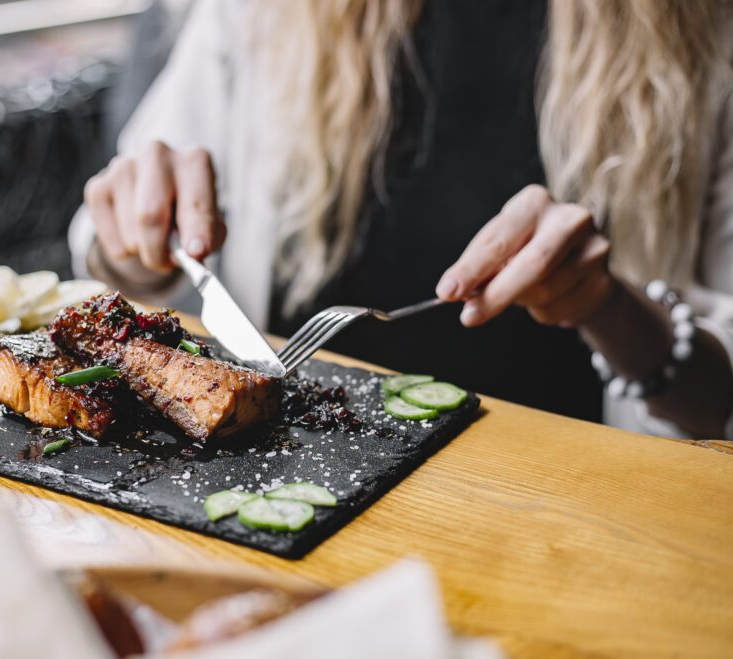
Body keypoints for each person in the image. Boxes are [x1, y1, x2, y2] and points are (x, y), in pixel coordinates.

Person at [69, 0, 733, 439]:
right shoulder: (266, 13)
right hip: (275, 488)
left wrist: (609, 306)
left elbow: (718, 403)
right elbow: (112, 234)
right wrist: (140, 241)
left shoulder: (703, 34)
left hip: (570, 517)